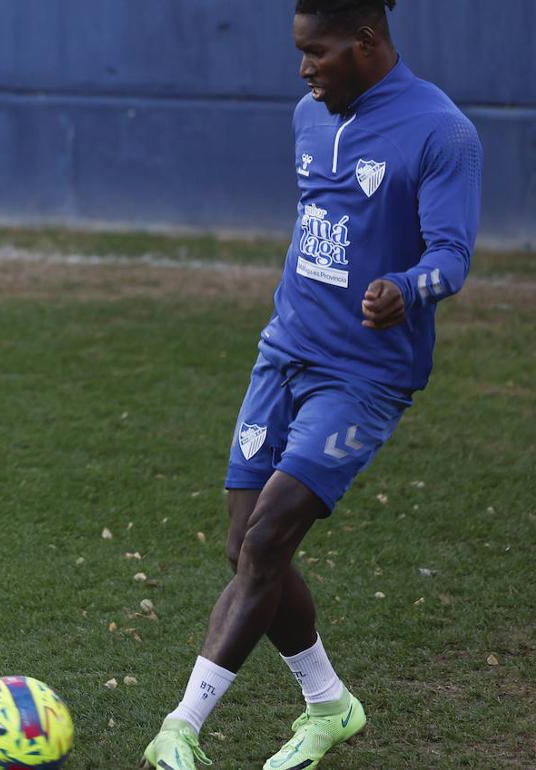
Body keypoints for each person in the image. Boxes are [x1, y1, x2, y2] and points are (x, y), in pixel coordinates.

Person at [141, 1, 481, 768]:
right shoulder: (308, 114)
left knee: (267, 538)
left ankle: (181, 728)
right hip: (284, 352)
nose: (304, 69)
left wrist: (407, 285)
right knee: (244, 547)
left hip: (363, 374)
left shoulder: (442, 131)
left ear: (365, 43)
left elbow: (453, 255)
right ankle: (330, 705)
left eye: (316, 52)